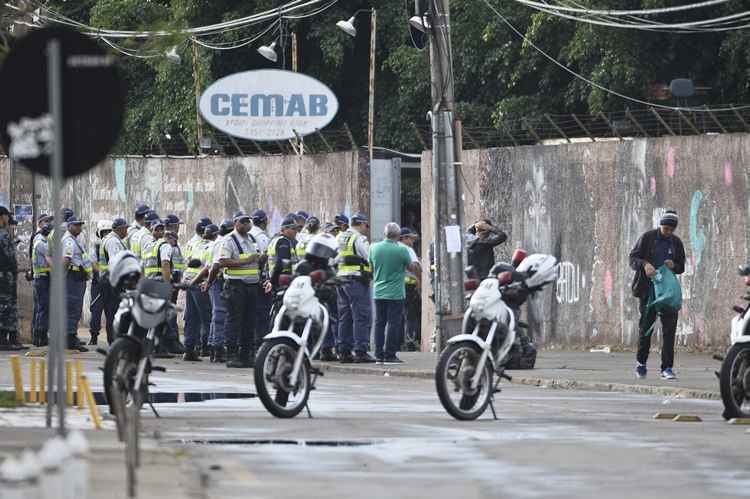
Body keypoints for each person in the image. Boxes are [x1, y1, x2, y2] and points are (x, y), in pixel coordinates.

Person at [629, 210, 685, 380]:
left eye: (670, 229)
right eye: (664, 228)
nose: (666, 232)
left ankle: (667, 368)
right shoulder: (648, 238)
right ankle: (641, 364)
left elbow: (681, 266)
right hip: (648, 291)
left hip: (667, 293)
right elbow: (632, 258)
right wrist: (645, 264)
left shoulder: (676, 243)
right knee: (646, 328)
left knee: (669, 330)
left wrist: (673, 265)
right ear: (660, 224)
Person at [369, 223, 420, 364]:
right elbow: (411, 268)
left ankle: (378, 354)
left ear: (385, 234)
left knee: (379, 323)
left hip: (378, 291)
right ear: (398, 236)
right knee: (393, 323)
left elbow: (371, 268)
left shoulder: (373, 248)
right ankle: (390, 354)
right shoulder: (402, 249)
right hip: (396, 293)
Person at [218, 211, 261, 368]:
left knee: (249, 322)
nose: (246, 224)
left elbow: (256, 258)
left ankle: (246, 354)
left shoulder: (252, 239)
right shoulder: (229, 240)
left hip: (252, 286)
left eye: (247, 221)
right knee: (234, 320)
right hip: (236, 286)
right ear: (235, 223)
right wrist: (246, 261)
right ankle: (232, 355)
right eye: (242, 222)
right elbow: (223, 261)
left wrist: (260, 259)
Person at [335, 212, 375, 363]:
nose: (367, 229)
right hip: (356, 280)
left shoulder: (339, 236)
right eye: (366, 225)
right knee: (361, 316)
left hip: (341, 279)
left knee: (344, 316)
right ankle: (360, 351)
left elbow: (334, 257)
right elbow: (368, 257)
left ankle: (344, 351)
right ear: (361, 224)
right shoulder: (359, 238)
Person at [185, 224, 219, 361]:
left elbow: (190, 262)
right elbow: (207, 268)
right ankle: (205, 347)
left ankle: (189, 348)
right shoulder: (212, 246)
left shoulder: (196, 244)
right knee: (206, 316)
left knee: (191, 317)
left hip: (190, 281)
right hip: (200, 283)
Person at [62, 216, 90, 352]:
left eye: (80, 225)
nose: (79, 227)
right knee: (73, 308)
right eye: (76, 225)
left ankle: (71, 336)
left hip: (76, 277)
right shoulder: (69, 241)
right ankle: (70, 339)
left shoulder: (73, 240)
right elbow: (66, 259)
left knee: (74, 307)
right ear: (69, 226)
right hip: (72, 278)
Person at [100, 218, 129, 344]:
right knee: (113, 312)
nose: (127, 231)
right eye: (125, 228)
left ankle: (114, 339)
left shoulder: (111, 239)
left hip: (108, 280)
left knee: (112, 311)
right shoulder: (113, 241)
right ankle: (114, 340)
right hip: (111, 281)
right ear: (120, 229)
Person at [0, 206, 22, 350]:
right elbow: (8, 256)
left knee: (7, 306)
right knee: (5, 306)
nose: (8, 219)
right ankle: (3, 339)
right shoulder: (3, 234)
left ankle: (8, 339)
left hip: (5, 274)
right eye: (7, 216)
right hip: (4, 275)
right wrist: (14, 268)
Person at [30, 216, 53, 347]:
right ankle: (40, 337)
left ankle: (41, 336)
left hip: (43, 278)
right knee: (43, 308)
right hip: (42, 278)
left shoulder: (42, 241)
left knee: (43, 308)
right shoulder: (41, 242)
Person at [89, 219, 112, 345]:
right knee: (96, 311)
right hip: (98, 283)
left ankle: (111, 338)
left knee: (111, 312)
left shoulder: (114, 245)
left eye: (109, 231)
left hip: (111, 284)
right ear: (100, 233)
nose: (107, 234)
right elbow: (93, 264)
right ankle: (94, 336)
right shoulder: (96, 247)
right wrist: (104, 274)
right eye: (104, 232)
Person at [399, 227, 422, 351]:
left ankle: (399, 342)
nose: (412, 242)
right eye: (410, 238)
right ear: (404, 238)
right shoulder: (407, 249)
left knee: (398, 315)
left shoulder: (394, 249)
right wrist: (420, 281)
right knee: (410, 315)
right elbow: (416, 267)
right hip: (409, 285)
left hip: (396, 286)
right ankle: (410, 341)